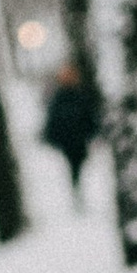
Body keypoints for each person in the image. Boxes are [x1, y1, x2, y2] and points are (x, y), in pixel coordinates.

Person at [39, 61, 102, 201]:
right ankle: (76, 187)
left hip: (78, 139)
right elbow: (53, 119)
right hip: (68, 140)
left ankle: (77, 186)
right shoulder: (59, 98)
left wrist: (93, 132)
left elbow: (89, 116)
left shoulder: (79, 96)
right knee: (74, 165)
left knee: (78, 164)